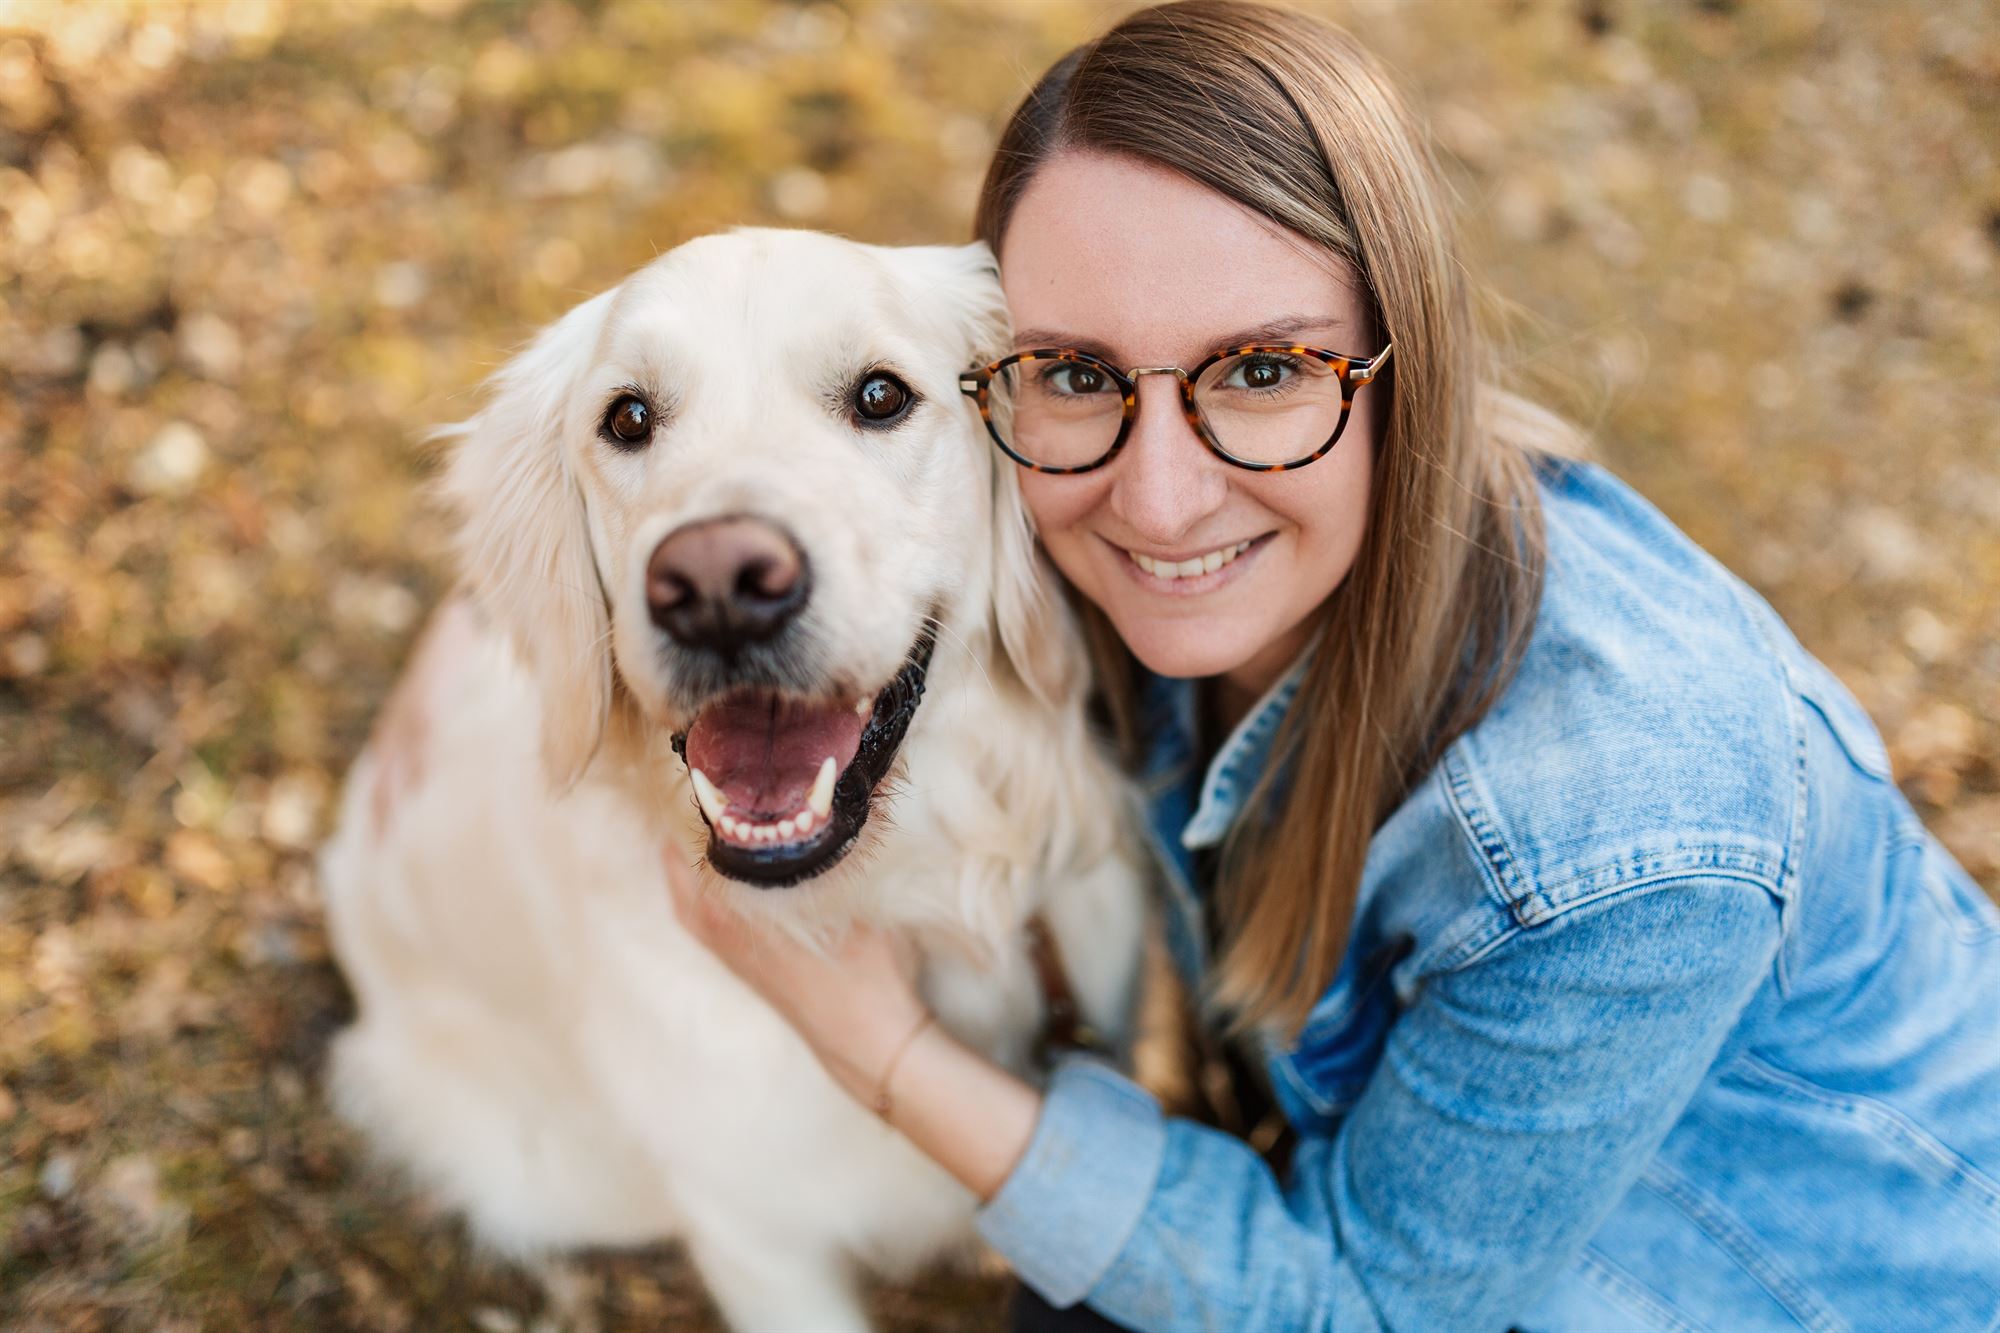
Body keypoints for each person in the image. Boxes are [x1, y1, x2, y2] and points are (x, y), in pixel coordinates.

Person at [665, 2, 2000, 1328]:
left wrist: (879, 1045)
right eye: (1074, 371)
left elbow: (1363, 1308)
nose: (1162, 499)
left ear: (1405, 373)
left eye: (1258, 369)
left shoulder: (1623, 842)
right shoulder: (1062, 509)